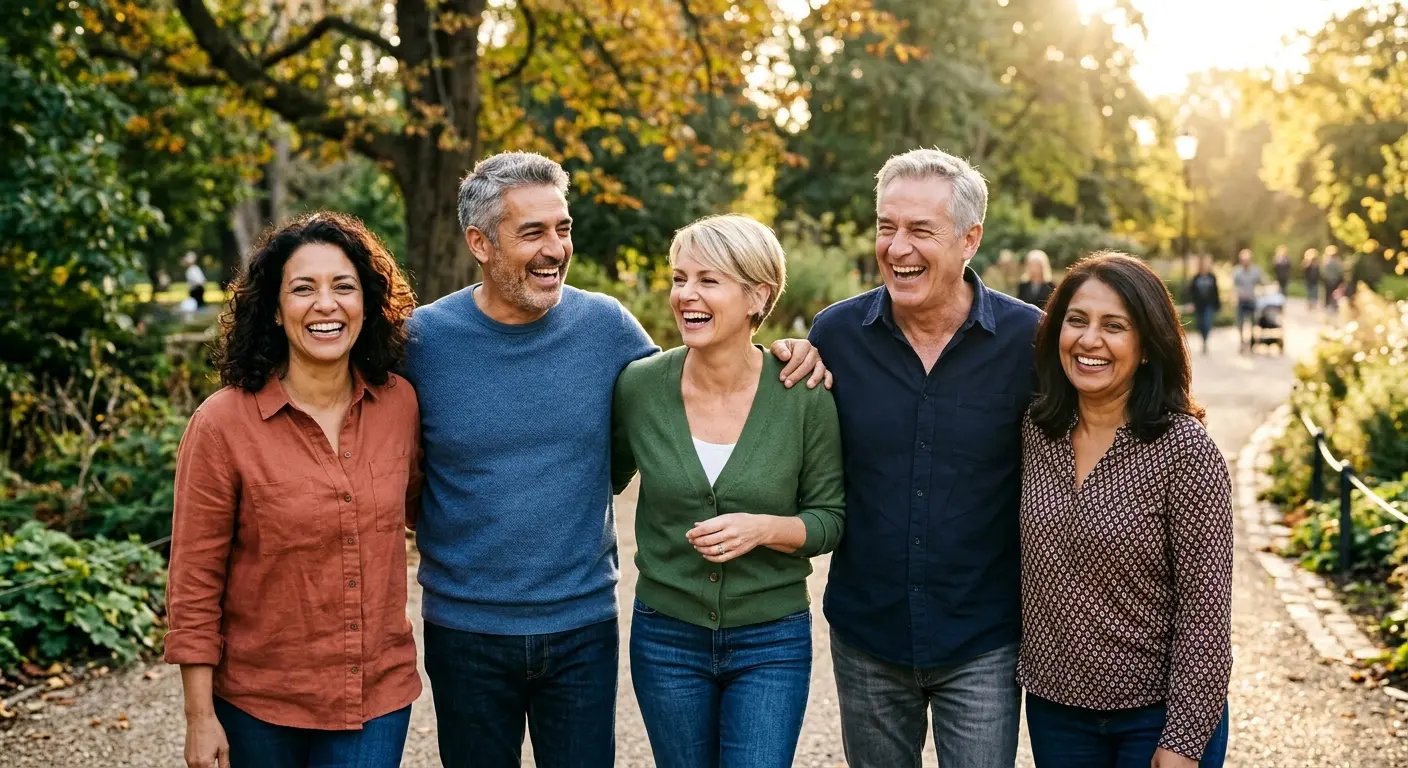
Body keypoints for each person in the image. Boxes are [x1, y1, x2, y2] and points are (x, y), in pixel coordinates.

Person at [400, 151, 827, 768]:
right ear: (480, 243)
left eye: (563, 228)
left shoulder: (607, 328)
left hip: (581, 627)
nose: (555, 248)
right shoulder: (423, 342)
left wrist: (784, 350)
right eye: (532, 232)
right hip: (464, 629)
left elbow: (694, 386)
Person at [809, 147, 1040, 767]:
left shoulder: (1031, 342)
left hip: (984, 639)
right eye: (887, 227)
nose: (897, 247)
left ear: (970, 239)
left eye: (920, 230)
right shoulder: (834, 337)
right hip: (868, 635)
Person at [165, 212, 422, 768]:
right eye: (303, 289)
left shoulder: (400, 404)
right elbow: (194, 579)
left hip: (375, 697)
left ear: (367, 302)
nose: (325, 304)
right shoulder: (222, 424)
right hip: (258, 705)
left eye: (344, 287)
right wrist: (198, 717)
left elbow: (437, 508)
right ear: (276, 312)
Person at [612, 214, 846, 767]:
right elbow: (601, 475)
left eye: (707, 280)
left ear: (756, 296)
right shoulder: (640, 386)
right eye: (678, 278)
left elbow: (830, 517)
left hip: (772, 641)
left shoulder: (803, 394)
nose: (685, 295)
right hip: (665, 638)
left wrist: (763, 529)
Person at [1019, 251, 1233, 768]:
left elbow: (1206, 615)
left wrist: (1182, 740)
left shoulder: (1184, 450)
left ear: (1145, 347)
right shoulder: (1036, 430)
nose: (1090, 340)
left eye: (1114, 326)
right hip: (1056, 710)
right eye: (1077, 321)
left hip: (1155, 717)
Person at [1181, 254, 1220, 355]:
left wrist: (1217, 304)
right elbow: (1190, 292)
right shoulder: (1196, 278)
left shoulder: (1212, 277)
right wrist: (1190, 303)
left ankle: (1205, 341)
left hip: (1209, 304)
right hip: (1198, 305)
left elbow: (1216, 291)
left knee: (1207, 323)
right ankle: (1203, 340)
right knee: (1200, 324)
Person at [1230, 249, 1263, 351]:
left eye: (1247, 260)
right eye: (1243, 260)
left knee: (1253, 322)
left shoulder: (1255, 271)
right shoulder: (1237, 272)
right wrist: (1236, 295)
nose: (1245, 262)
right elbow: (1233, 285)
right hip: (1241, 300)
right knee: (1240, 323)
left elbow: (1261, 282)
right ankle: (1241, 342)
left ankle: (1252, 341)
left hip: (1252, 300)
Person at [1322, 246, 1344, 311]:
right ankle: (1330, 304)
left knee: (1331, 293)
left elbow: (1324, 271)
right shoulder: (1336, 261)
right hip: (1332, 279)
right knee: (1330, 293)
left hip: (1332, 280)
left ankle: (1330, 304)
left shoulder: (1327, 261)